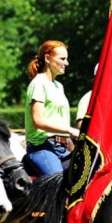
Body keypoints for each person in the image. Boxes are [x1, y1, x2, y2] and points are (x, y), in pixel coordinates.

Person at [24, 40, 80, 177]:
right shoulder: (38, 83)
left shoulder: (59, 86)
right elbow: (38, 121)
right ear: (48, 58)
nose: (66, 63)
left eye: (66, 59)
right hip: (41, 147)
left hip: (63, 147)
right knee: (59, 185)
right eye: (62, 59)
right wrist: (70, 129)